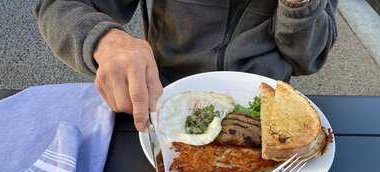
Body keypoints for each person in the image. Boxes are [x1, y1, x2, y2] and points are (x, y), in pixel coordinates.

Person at [35, 0, 338, 131]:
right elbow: (58, 6)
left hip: (264, 110)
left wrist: (299, 7)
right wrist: (106, 41)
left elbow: (307, 58)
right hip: (164, 102)